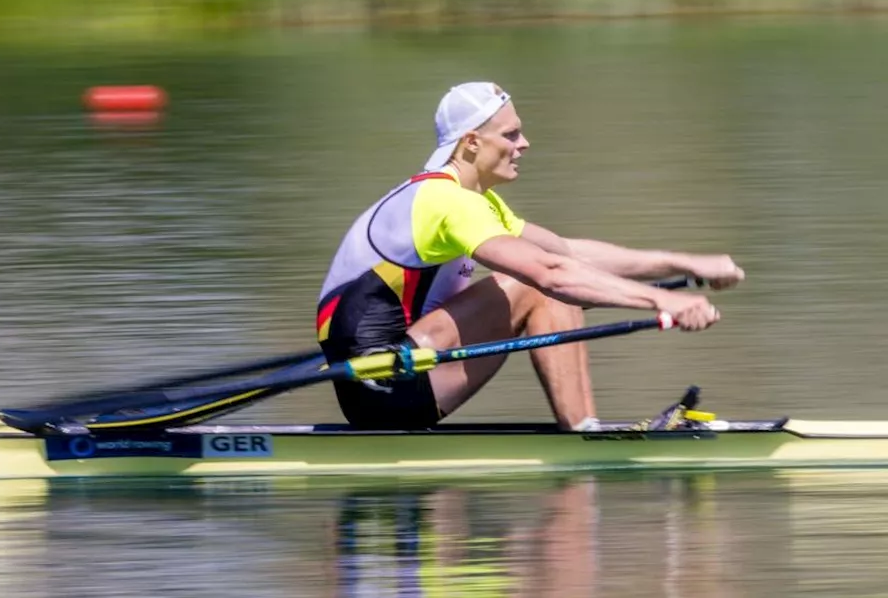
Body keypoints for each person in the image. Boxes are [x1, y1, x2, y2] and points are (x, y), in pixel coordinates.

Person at [316, 81, 744, 431]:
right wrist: (663, 301)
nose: (524, 143)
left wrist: (685, 264)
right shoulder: (445, 202)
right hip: (382, 383)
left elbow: (566, 252)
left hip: (403, 371)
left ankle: (584, 427)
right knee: (540, 285)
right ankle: (582, 431)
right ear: (469, 143)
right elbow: (551, 273)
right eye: (511, 134)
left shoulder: (475, 199)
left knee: (551, 278)